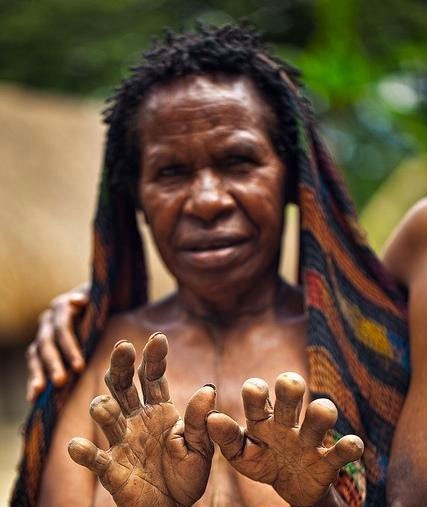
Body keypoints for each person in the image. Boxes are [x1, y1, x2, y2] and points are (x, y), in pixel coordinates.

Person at [12, 25, 425, 507]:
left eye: (238, 161)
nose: (207, 201)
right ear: (136, 201)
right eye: (171, 172)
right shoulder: (92, 363)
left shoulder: (372, 347)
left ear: (293, 180)